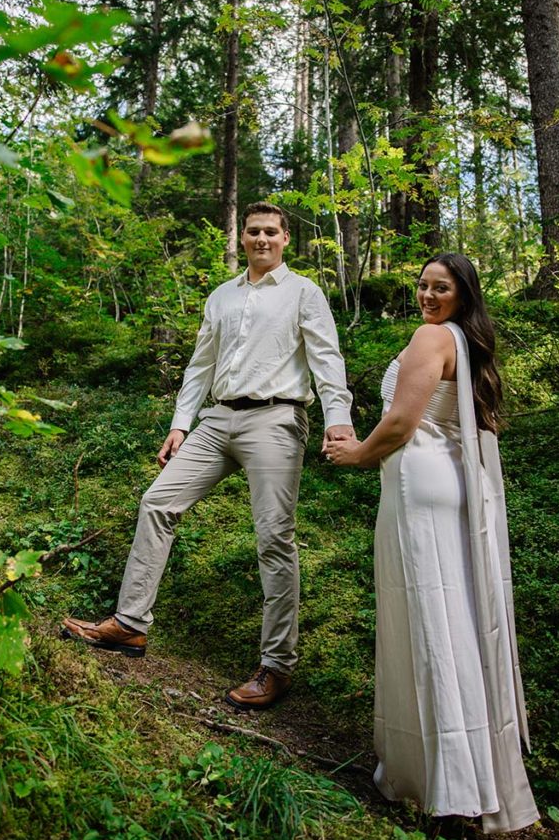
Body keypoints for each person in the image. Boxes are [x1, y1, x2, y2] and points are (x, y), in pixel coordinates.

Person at [62, 202, 354, 710]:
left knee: (274, 538)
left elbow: (327, 359)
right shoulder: (221, 296)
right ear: (242, 237)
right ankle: (130, 625)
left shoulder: (304, 293)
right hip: (218, 420)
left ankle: (277, 665)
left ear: (286, 239)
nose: (261, 238)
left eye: (271, 232)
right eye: (252, 231)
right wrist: (180, 424)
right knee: (157, 502)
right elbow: (199, 367)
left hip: (277, 419)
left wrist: (338, 418)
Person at [325, 253, 539, 833]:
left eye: (439, 286)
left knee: (432, 625)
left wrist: (354, 454)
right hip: (452, 484)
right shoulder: (468, 346)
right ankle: (473, 779)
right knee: (458, 621)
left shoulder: (430, 337)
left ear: (463, 294)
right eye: (421, 284)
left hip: (420, 484)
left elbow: (400, 422)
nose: (426, 294)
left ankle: (453, 788)